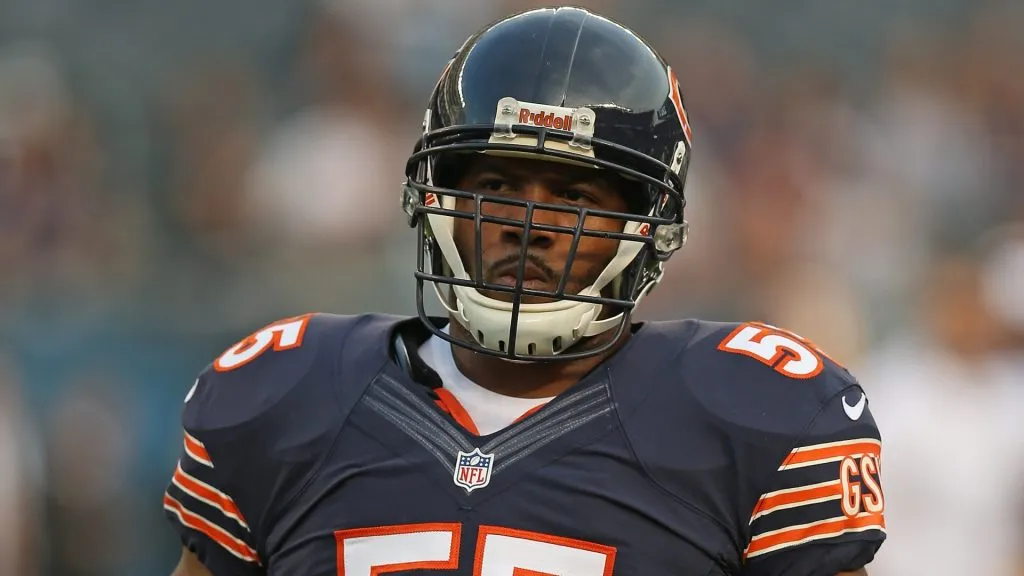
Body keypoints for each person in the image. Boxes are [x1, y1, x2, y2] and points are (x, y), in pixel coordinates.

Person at [165, 7, 885, 576]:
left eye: (575, 198)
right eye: (497, 187)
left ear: (648, 228)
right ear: (434, 197)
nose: (529, 225)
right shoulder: (290, 394)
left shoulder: (752, 417)